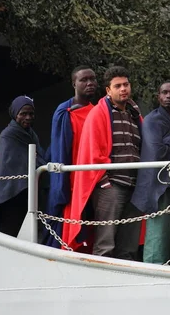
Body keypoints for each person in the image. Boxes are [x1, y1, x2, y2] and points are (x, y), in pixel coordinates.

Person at [63, 66, 143, 259]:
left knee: (129, 245)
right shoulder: (99, 113)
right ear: (108, 90)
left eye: (126, 84)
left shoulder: (134, 113)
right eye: (117, 86)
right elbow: (92, 151)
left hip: (134, 187)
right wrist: (104, 182)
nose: (123, 89)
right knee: (105, 243)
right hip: (111, 187)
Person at [130, 82, 170, 264]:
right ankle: (154, 267)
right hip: (156, 181)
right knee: (158, 230)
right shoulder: (151, 120)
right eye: (164, 92)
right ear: (158, 96)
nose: (169, 96)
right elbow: (156, 151)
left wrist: (169, 143)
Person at [0, 96, 47, 237]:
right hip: (10, 195)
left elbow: (38, 157)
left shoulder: (31, 134)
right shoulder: (8, 135)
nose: (28, 117)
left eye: (31, 114)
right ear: (15, 114)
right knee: (9, 232)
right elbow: (11, 164)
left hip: (27, 192)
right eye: (23, 114)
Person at [44, 65, 98, 247]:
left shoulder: (99, 111)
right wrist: (63, 184)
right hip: (72, 180)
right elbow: (59, 150)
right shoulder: (64, 111)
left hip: (95, 179)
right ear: (74, 83)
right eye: (84, 80)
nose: (89, 83)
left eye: (92, 79)